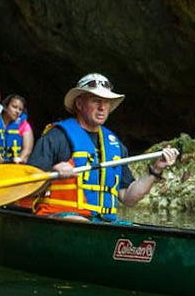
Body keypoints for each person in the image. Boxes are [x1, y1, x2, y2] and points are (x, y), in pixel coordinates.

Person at [28, 73, 179, 222]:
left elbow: (128, 198)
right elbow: (28, 187)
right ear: (79, 104)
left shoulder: (115, 145)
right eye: (96, 101)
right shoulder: (56, 137)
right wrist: (52, 173)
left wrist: (156, 169)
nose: (102, 107)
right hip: (59, 215)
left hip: (101, 222)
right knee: (80, 222)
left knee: (137, 232)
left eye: (106, 102)